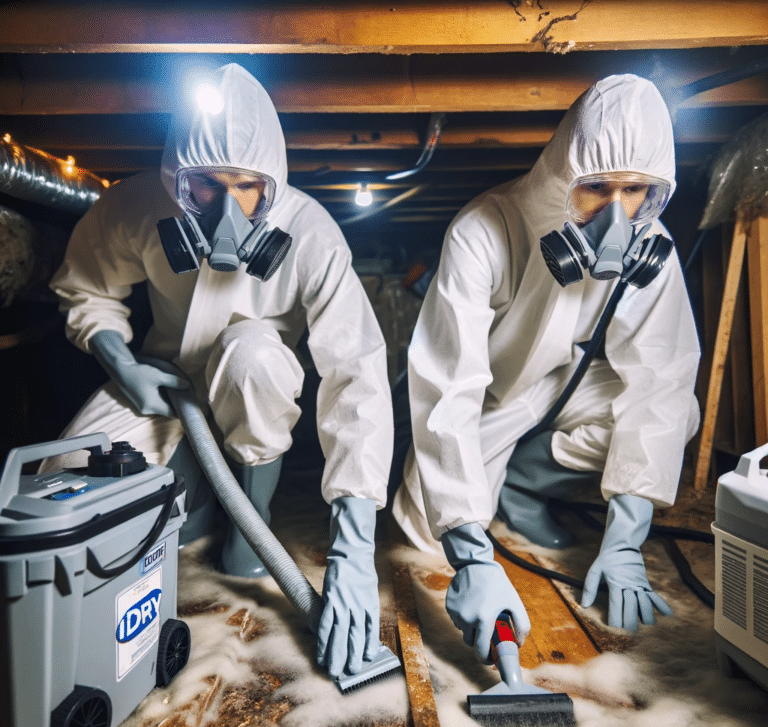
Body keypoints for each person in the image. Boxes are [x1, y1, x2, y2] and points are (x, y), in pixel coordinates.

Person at [43, 63, 393, 679]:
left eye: (246, 186)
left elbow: (356, 374)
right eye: (206, 185)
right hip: (163, 380)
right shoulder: (135, 208)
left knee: (254, 353)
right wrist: (120, 363)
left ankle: (245, 530)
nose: (228, 208)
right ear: (176, 180)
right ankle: (194, 498)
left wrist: (356, 549)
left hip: (253, 381)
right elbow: (85, 285)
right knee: (64, 485)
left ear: (271, 184)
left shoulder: (309, 233)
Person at [391, 74, 700, 661]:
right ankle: (496, 486)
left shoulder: (647, 241)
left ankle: (526, 484)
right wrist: (471, 554)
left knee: (678, 411)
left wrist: (629, 535)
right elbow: (445, 386)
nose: (617, 212)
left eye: (635, 190)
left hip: (567, 382)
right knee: (424, 534)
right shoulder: (485, 228)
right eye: (596, 187)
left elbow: (661, 373)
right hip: (491, 400)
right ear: (563, 172)